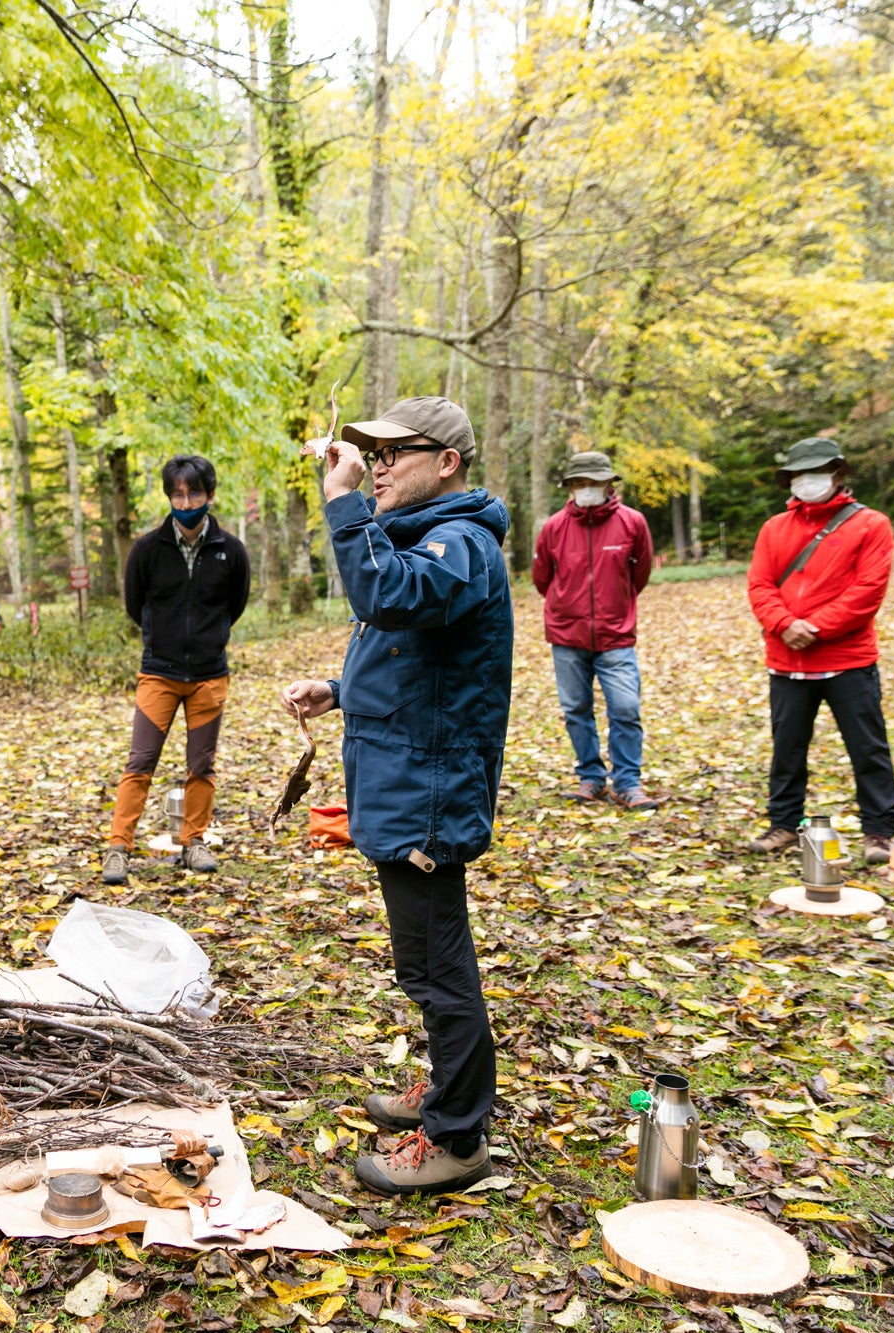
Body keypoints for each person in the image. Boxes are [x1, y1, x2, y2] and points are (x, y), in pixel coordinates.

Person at [281, 396, 510, 1195]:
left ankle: (458, 1135)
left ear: (446, 462)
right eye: (369, 455)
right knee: (421, 962)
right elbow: (420, 657)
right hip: (404, 780)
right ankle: (447, 1091)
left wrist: (342, 502)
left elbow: (388, 596)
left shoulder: (462, 543)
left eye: (396, 452)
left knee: (441, 966)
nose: (376, 466)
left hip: (430, 792)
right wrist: (341, 689)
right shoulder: (425, 540)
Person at [744, 438, 894, 864]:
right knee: (787, 748)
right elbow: (759, 584)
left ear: (837, 475)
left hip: (849, 660)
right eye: (800, 474)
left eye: (817, 472)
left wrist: (815, 627)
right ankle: (783, 824)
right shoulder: (774, 528)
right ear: (790, 480)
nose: (808, 481)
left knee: (867, 748)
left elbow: (868, 589)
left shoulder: (871, 525)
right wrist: (783, 624)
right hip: (786, 660)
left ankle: (879, 832)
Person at [101, 455, 251, 886]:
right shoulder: (147, 550)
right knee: (140, 761)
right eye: (178, 494)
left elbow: (234, 606)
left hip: (209, 675)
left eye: (195, 493)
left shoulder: (230, 551)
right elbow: (136, 605)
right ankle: (118, 847)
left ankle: (194, 842)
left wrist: (208, 638)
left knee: (201, 765)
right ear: (169, 496)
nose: (186, 501)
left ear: (210, 495)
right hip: (159, 674)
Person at [530, 451, 659, 810]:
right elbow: (542, 578)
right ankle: (591, 777)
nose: (587, 489)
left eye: (594, 482)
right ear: (569, 487)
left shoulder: (633, 523)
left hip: (616, 635)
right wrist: (567, 605)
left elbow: (640, 573)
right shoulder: (554, 527)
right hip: (566, 636)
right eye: (579, 483)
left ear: (608, 484)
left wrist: (615, 605)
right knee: (576, 709)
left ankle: (628, 783)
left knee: (626, 708)